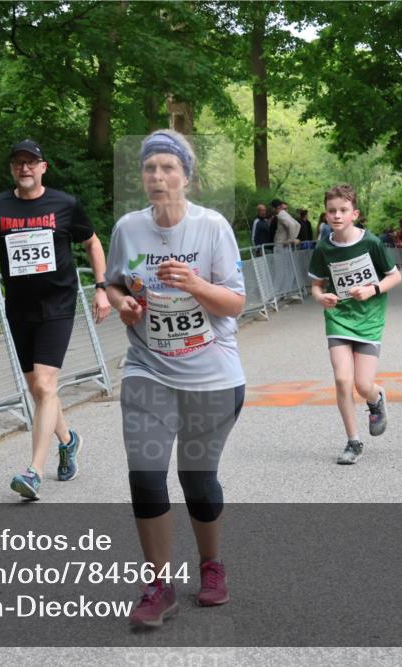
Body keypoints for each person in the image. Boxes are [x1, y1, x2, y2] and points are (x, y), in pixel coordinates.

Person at [105, 129, 246, 627]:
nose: (158, 176)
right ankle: (158, 585)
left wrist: (197, 283)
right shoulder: (128, 227)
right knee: (145, 477)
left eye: (168, 168)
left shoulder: (212, 228)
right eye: (150, 168)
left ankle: (211, 566)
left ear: (187, 176)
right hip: (148, 368)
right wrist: (122, 302)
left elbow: (235, 303)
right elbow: (117, 282)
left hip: (211, 375)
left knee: (196, 479)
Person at [0, 139, 111, 500]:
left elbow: (92, 243)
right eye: (18, 162)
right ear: (12, 169)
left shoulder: (64, 205)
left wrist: (101, 287)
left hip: (58, 306)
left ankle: (33, 471)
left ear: (43, 167)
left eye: (31, 162)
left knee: (46, 386)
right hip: (20, 308)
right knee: (38, 389)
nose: (25, 168)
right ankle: (68, 440)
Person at [309, 184, 402, 465]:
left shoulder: (371, 243)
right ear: (325, 215)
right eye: (331, 211)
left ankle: (376, 398)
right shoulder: (324, 248)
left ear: (354, 214)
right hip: (339, 319)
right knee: (342, 379)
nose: (337, 215)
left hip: (369, 320)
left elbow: (395, 277)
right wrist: (320, 297)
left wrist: (372, 289)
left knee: (363, 385)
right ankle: (353, 441)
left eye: (343, 210)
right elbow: (315, 285)